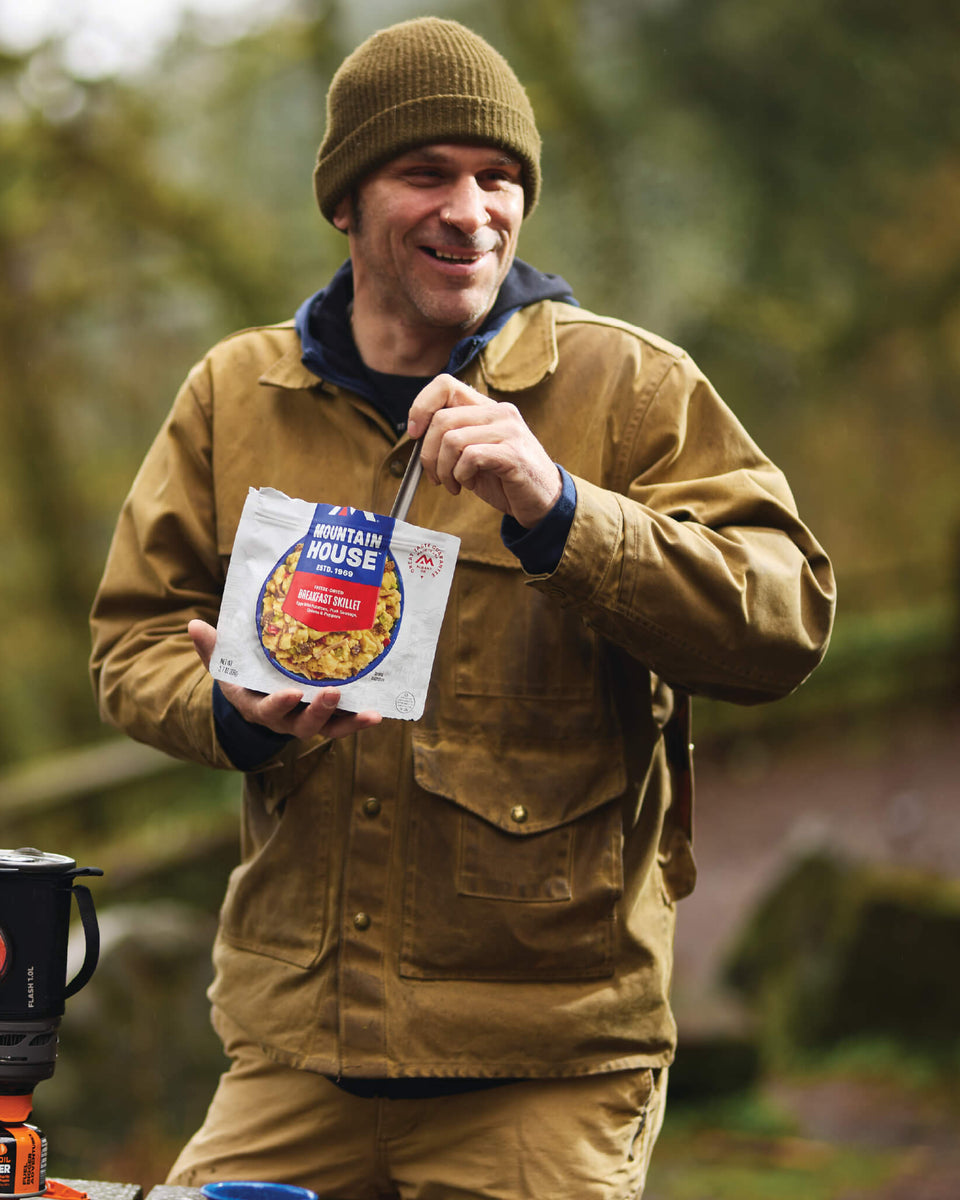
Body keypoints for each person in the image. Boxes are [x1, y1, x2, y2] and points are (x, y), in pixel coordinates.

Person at [89, 16, 835, 1199]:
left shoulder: (631, 388)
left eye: (498, 178)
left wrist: (560, 509)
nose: (470, 208)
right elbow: (132, 642)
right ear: (344, 202)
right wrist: (228, 711)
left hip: (546, 1063)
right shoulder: (235, 396)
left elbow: (782, 623)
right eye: (424, 173)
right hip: (296, 1053)